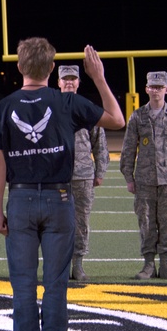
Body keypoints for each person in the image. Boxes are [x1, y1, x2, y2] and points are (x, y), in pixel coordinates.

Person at [0, 40, 124, 331]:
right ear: (51, 69)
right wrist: (98, 77)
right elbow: (117, 119)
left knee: (23, 290)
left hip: (20, 200)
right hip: (59, 199)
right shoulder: (66, 102)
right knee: (55, 288)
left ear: (20, 67)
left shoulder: (4, 108)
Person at [120, 71, 167, 280]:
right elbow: (129, 148)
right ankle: (148, 265)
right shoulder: (138, 116)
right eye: (152, 87)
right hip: (145, 180)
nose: (156, 91)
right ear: (146, 89)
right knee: (146, 221)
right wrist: (129, 177)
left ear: (166, 89)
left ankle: (165, 264)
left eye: (160, 87)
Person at [57, 65, 109, 281]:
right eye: (65, 79)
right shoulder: (51, 107)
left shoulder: (87, 108)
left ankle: (78, 264)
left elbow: (100, 143)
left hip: (83, 175)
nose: (69, 82)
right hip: (57, 177)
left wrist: (100, 171)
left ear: (78, 82)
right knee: (58, 222)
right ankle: (60, 266)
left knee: (81, 222)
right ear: (58, 82)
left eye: (73, 79)